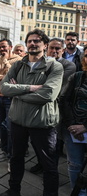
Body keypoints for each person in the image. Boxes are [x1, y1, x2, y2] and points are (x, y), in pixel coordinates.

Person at [0, 29, 63, 196]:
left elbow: (48, 94)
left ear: (45, 45)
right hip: (18, 121)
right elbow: (4, 87)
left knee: (48, 164)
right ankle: (13, 190)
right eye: (30, 41)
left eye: (37, 41)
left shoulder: (54, 66)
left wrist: (17, 92)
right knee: (15, 159)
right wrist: (30, 88)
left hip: (41, 123)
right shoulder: (18, 64)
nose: (33, 44)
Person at [30, 38, 76, 174]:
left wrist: (33, 85)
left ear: (62, 50)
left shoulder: (69, 66)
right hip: (37, 106)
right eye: (52, 48)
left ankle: (50, 169)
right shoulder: (38, 63)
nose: (54, 51)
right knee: (35, 139)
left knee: (52, 143)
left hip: (55, 108)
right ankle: (41, 163)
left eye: (57, 49)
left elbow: (53, 85)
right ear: (46, 48)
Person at [0, 39, 22, 163]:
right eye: (0, 47)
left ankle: (11, 153)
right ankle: (4, 150)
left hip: (10, 97)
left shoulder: (18, 60)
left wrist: (6, 63)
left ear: (10, 47)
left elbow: (16, 78)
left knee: (9, 126)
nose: (2, 49)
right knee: (0, 125)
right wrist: (4, 78)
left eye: (4, 47)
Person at [59, 45, 87, 194]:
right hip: (72, 130)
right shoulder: (76, 77)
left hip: (84, 127)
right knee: (74, 164)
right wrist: (72, 125)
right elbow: (64, 100)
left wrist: (85, 127)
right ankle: (78, 192)